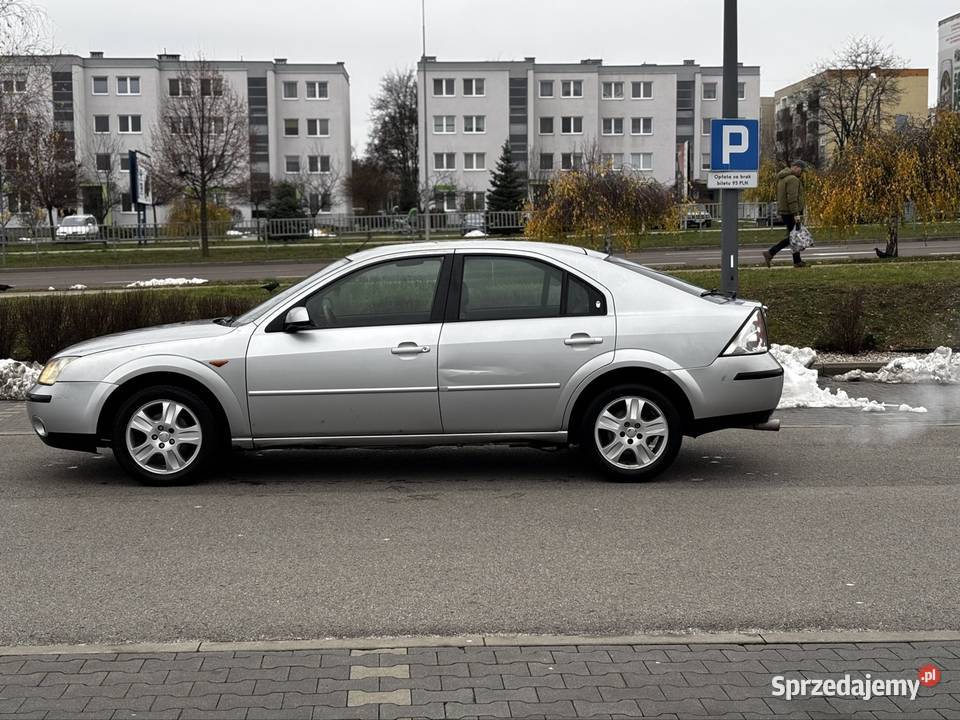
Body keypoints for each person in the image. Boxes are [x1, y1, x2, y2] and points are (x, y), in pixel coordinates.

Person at [763, 161, 807, 268]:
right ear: (796, 167)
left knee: (793, 236)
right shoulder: (793, 179)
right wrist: (796, 214)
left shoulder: (783, 178)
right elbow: (792, 198)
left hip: (785, 211)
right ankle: (770, 253)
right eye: (801, 170)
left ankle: (797, 261)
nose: (801, 172)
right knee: (793, 237)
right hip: (791, 212)